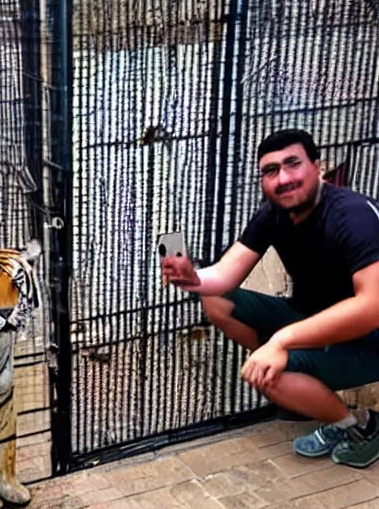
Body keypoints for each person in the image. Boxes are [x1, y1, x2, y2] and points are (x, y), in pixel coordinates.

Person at [161, 128, 379, 468]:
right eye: (271, 171)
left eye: (293, 164)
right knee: (217, 299)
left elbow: (371, 308)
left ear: (318, 168)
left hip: (368, 340)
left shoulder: (354, 216)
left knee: (271, 374)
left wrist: (281, 341)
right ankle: (296, 386)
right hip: (310, 320)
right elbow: (225, 275)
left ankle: (359, 427)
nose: (283, 178)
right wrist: (192, 278)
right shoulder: (273, 214)